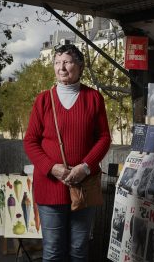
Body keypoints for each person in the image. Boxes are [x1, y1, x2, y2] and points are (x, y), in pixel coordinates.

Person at [23, 44, 111, 261]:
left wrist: (85, 167)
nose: (61, 67)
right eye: (57, 62)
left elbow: (104, 138)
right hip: (51, 187)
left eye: (67, 62)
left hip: (84, 187)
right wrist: (52, 168)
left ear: (79, 66)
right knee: (53, 251)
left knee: (79, 250)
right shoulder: (43, 100)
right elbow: (30, 141)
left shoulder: (93, 98)